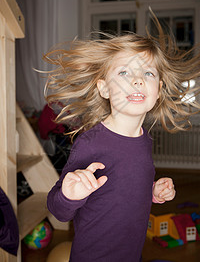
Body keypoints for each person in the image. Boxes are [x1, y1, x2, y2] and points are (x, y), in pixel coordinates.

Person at [45, 15, 200, 261]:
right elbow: (59, 211)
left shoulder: (145, 139)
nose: (137, 80)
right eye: (124, 72)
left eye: (148, 73)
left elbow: (121, 189)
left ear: (158, 90)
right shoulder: (91, 143)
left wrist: (151, 193)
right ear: (104, 88)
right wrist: (69, 195)